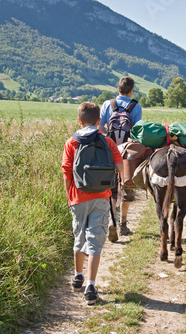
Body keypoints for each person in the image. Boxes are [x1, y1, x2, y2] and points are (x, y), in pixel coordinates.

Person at [62, 102, 124, 305]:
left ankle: (78, 275)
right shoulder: (108, 142)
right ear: (99, 121)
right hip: (101, 196)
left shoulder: (71, 142)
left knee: (79, 236)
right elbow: (119, 167)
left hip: (78, 197)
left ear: (79, 121)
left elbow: (67, 173)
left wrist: (69, 196)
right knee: (95, 240)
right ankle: (91, 285)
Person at [99, 76, 142, 241]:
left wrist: (109, 143)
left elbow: (101, 127)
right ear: (131, 91)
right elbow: (136, 133)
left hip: (109, 151)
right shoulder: (135, 107)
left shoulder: (107, 104)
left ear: (118, 89)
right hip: (127, 154)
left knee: (112, 189)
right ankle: (123, 224)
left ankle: (111, 220)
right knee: (126, 186)